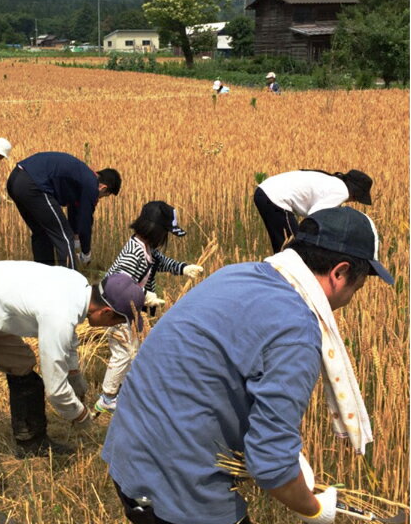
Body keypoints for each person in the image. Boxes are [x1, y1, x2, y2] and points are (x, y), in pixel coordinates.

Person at [102, 206, 393, 524]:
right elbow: (272, 465)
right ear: (339, 272)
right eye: (358, 287)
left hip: (128, 456)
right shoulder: (296, 327)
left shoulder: (238, 274)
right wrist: (317, 511)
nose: (352, 298)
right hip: (179, 489)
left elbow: (215, 374)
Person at [0, 266, 145, 524]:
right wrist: (80, 415)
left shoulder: (78, 285)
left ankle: (31, 441)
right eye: (118, 321)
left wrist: (74, 374)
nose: (115, 327)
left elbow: (68, 338)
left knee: (22, 363)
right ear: (106, 312)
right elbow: (56, 391)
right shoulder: (60, 314)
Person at [94, 201, 203, 415]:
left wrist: (183, 268)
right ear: (156, 230)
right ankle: (107, 397)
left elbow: (160, 262)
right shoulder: (133, 252)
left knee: (134, 350)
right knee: (123, 353)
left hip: (130, 310)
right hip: (116, 311)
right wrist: (144, 296)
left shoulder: (146, 249)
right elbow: (118, 285)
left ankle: (124, 391)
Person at [7, 151, 121, 269]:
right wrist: (86, 252)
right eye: (104, 195)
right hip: (33, 184)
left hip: (15, 179)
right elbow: (85, 221)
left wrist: (77, 240)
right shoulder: (92, 185)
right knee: (65, 236)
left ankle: (44, 277)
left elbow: (75, 211)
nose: (99, 198)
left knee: (42, 233)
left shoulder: (82, 177)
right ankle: (70, 283)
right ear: (103, 188)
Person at [254, 168, 373, 253]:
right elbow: (315, 217)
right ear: (355, 194)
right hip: (275, 198)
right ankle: (285, 283)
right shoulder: (342, 192)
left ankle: (279, 280)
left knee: (283, 247)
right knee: (293, 250)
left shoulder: (333, 182)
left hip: (264, 191)